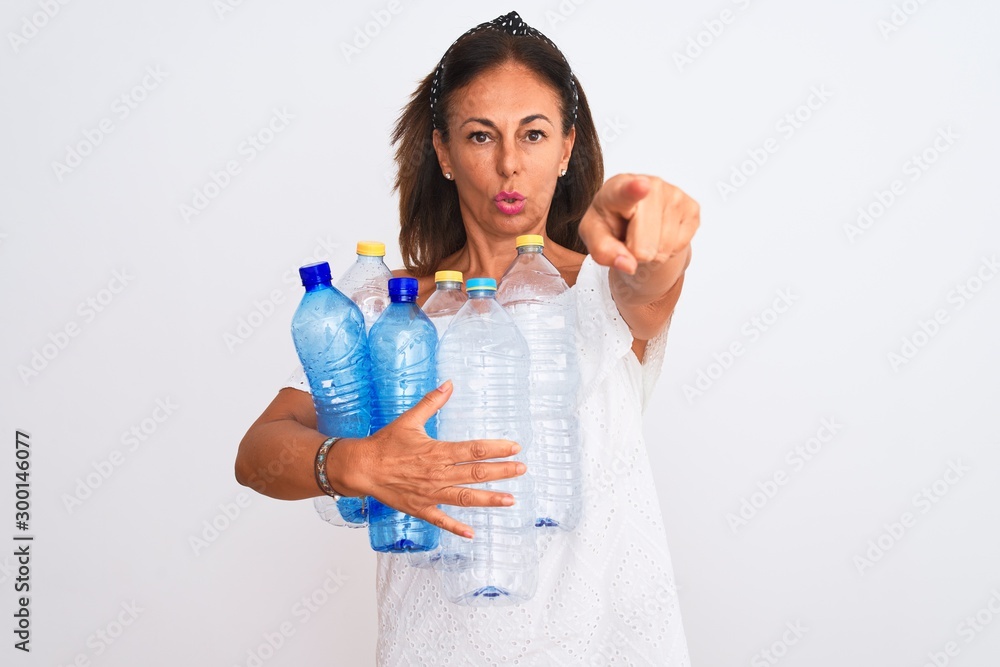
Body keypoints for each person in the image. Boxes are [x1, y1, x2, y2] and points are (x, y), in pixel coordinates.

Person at [235, 11, 698, 665]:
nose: (509, 163)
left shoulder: (595, 289)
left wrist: (654, 229)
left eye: (533, 134)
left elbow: (651, 280)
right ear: (445, 152)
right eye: (481, 136)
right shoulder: (389, 305)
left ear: (566, 148)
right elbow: (257, 451)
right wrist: (353, 462)